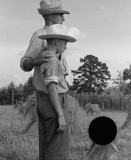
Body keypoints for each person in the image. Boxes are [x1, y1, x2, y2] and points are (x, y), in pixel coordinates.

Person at [38, 24, 76, 159]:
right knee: (58, 146)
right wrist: (60, 115)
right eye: (65, 43)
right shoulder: (54, 60)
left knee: (46, 144)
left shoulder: (44, 57)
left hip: (44, 102)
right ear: (57, 42)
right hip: (55, 102)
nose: (66, 47)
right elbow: (52, 87)